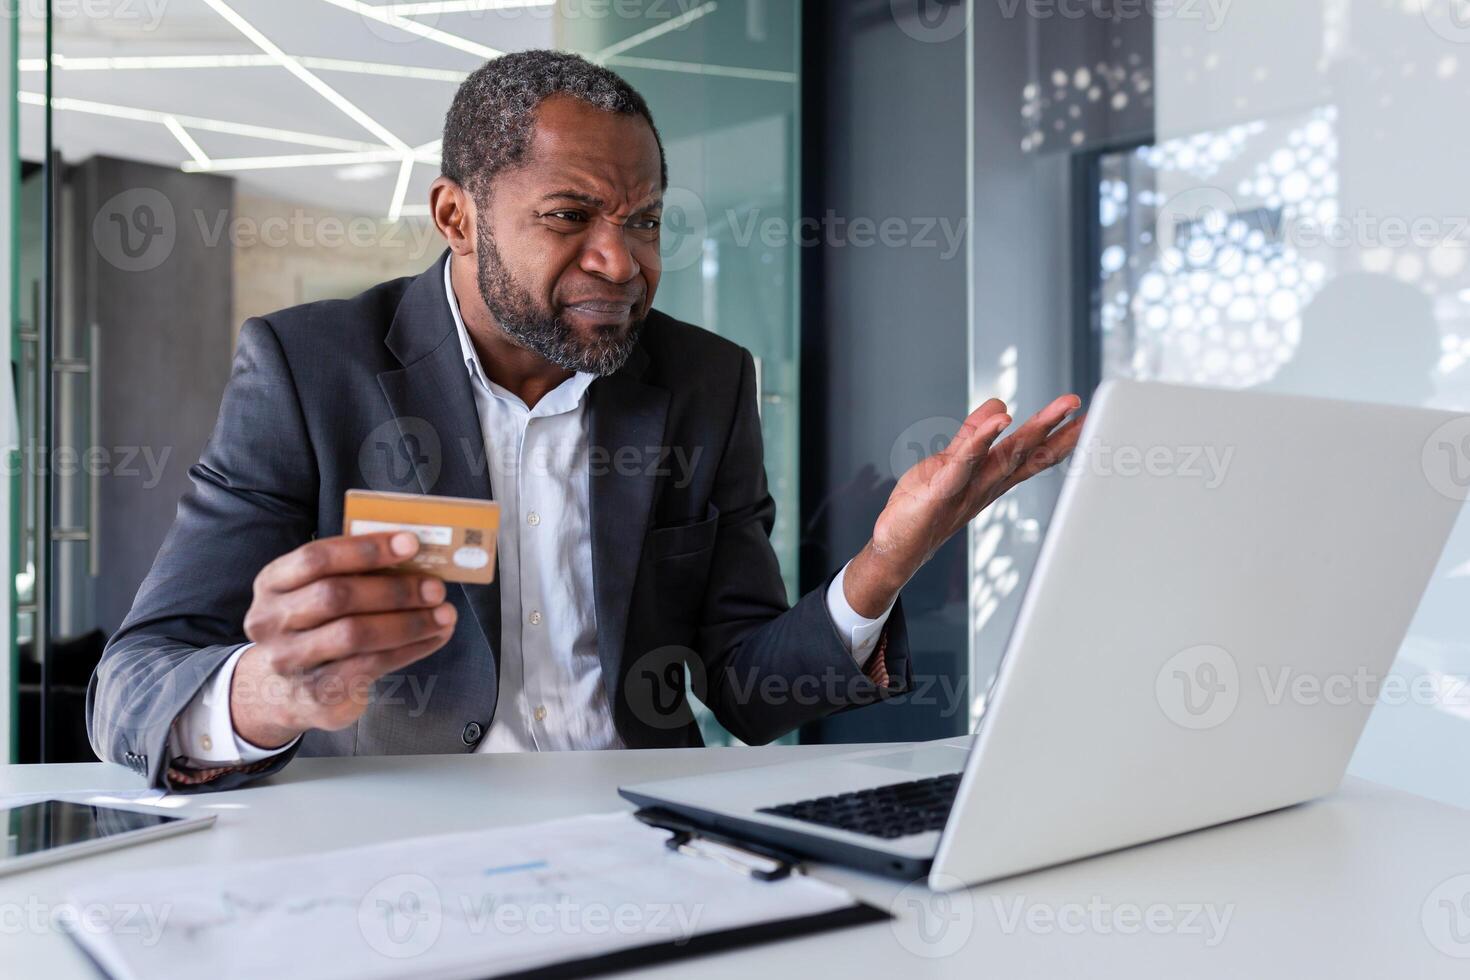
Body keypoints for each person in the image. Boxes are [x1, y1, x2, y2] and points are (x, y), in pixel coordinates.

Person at [87, 50, 1080, 791]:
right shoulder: (311, 368)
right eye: (572, 216)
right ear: (455, 215)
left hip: (648, 834)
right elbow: (130, 683)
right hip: (392, 850)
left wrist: (887, 559)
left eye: (645, 219)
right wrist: (274, 690)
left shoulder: (703, 380)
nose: (625, 260)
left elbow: (745, 688)